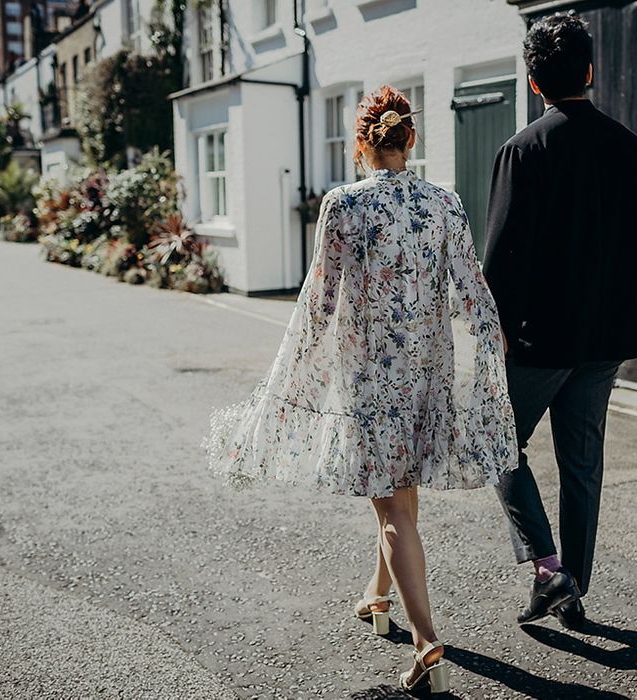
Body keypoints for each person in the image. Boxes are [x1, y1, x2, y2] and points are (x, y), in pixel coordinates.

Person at [206, 86, 518, 693]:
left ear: (362, 142)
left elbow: (320, 300)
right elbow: (472, 288)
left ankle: (427, 637)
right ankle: (378, 595)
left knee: (393, 505)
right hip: (427, 375)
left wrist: (296, 366)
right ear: (411, 139)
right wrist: (491, 340)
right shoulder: (443, 202)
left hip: (371, 378)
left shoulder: (343, 205)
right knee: (401, 494)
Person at [484, 13, 637, 631]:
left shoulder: (522, 152)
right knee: (582, 467)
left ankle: (551, 572)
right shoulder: (629, 149)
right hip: (604, 339)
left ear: (533, 80)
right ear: (591, 71)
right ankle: (574, 592)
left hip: (539, 340)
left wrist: (493, 333)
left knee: (496, 441)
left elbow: (500, 260)